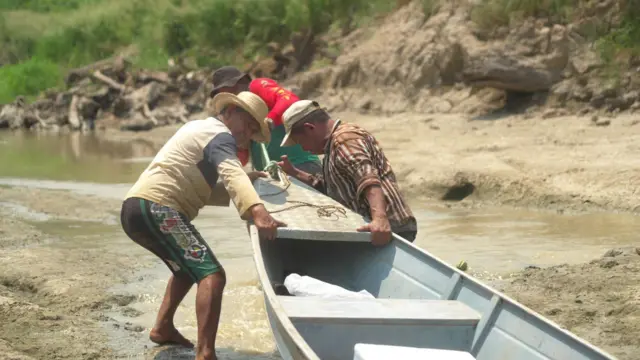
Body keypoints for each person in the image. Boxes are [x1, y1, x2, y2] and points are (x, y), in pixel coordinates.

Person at [120, 91, 286, 360]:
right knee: (213, 275)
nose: (249, 133)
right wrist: (258, 211)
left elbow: (201, 190)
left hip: (137, 209)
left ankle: (162, 327)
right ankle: (205, 353)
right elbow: (231, 173)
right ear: (231, 111)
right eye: (249, 123)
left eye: (255, 130)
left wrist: (248, 179)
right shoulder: (219, 134)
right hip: (158, 208)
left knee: (187, 269)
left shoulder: (201, 129)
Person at [277, 100, 418, 246]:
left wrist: (380, 219)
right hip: (374, 229)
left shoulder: (345, 140)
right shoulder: (332, 147)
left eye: (300, 142)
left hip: (388, 227)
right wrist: (293, 172)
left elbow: (368, 178)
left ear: (310, 128)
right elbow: (330, 188)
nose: (304, 148)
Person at [208, 66, 322, 175]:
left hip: (299, 165)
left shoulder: (256, 87)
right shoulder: (234, 111)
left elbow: (288, 99)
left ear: (240, 83)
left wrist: (270, 120)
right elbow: (243, 158)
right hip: (270, 173)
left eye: (226, 90)